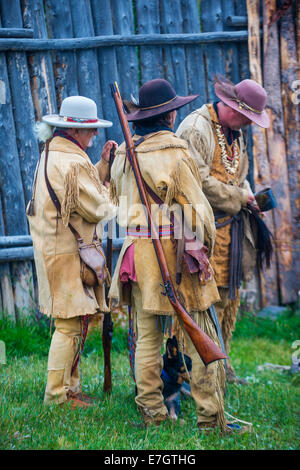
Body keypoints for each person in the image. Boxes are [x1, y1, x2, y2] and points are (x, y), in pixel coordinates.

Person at [109, 78, 234, 433]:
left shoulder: (124, 155)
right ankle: (211, 418)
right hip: (173, 257)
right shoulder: (176, 152)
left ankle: (152, 413)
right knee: (200, 333)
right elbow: (197, 212)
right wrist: (203, 243)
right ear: (168, 115)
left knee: (147, 337)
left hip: (138, 253)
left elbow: (117, 200)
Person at [177, 76, 270, 384]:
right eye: (248, 118)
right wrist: (238, 197)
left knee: (228, 299)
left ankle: (222, 365)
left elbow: (237, 174)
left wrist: (248, 195)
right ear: (234, 109)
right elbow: (197, 181)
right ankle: (193, 371)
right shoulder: (195, 128)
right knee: (200, 300)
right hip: (199, 230)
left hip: (229, 230)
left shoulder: (234, 133)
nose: (249, 125)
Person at [27, 96, 117, 408]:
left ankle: (70, 389)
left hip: (58, 250)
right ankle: (56, 396)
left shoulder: (54, 153)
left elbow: (79, 190)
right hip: (67, 254)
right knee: (69, 325)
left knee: (76, 322)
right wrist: (113, 189)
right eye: (90, 130)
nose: (94, 135)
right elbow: (99, 207)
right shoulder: (72, 162)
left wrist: (103, 166)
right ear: (74, 132)